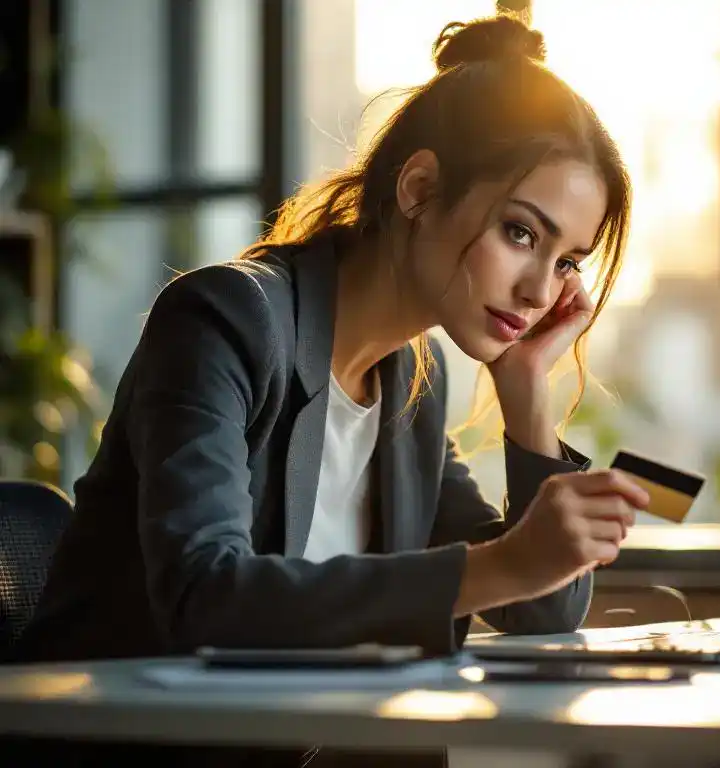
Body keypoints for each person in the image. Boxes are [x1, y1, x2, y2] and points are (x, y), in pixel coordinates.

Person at [14, 14, 647, 767]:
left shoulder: (413, 379)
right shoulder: (224, 320)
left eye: (568, 260)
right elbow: (203, 596)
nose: (542, 289)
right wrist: (505, 564)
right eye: (520, 233)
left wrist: (528, 387)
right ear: (419, 188)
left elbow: (540, 610)